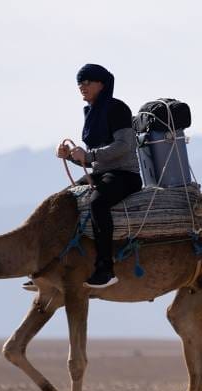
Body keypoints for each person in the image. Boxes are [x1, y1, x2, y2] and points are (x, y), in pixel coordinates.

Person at [61, 63, 143, 289]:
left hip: (125, 175)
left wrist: (89, 154)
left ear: (102, 84)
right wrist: (70, 157)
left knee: (98, 204)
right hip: (101, 173)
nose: (82, 86)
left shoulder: (117, 108)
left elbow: (125, 145)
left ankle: (105, 268)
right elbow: (90, 160)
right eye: (80, 82)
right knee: (62, 199)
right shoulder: (90, 112)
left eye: (87, 81)